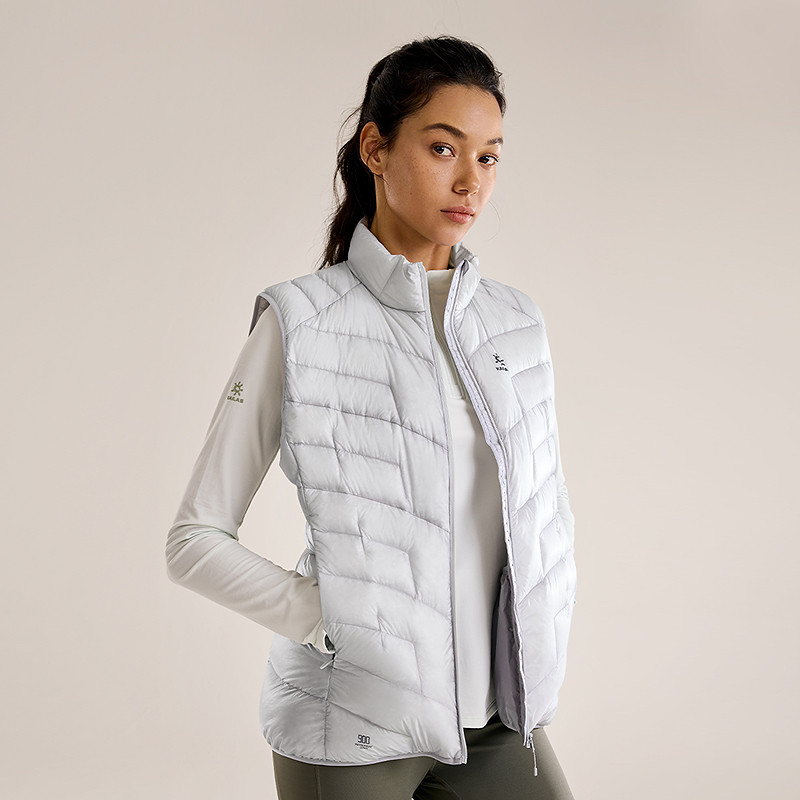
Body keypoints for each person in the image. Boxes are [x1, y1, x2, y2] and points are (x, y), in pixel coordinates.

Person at [166, 35, 578, 799]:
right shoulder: (300, 321)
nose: (470, 180)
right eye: (443, 148)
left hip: (497, 719)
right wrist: (334, 621)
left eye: (488, 157)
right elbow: (194, 541)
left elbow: (542, 511)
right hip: (350, 719)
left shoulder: (517, 325)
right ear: (376, 150)